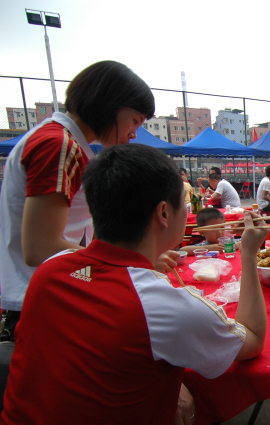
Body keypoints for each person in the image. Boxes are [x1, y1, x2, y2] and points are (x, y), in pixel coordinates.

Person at [0, 144, 269, 424]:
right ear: (164, 213)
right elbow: (251, 340)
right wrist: (249, 254)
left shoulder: (49, 270)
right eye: (183, 204)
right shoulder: (164, 306)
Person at [0, 60, 160, 341]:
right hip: (44, 298)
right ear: (110, 104)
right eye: (135, 120)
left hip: (44, 291)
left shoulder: (60, 140)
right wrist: (126, 267)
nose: (134, 133)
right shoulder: (59, 145)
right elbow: (39, 247)